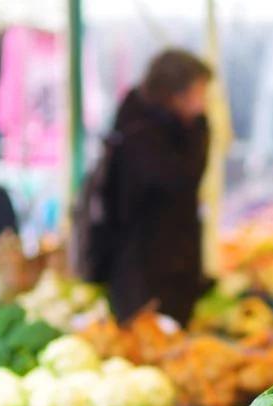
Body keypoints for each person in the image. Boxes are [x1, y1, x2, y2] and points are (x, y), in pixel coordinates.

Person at [97, 49, 212, 325]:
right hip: (145, 273)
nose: (204, 105)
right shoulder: (141, 136)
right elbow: (179, 181)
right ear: (176, 94)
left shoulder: (162, 130)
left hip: (170, 267)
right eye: (200, 93)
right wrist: (199, 130)